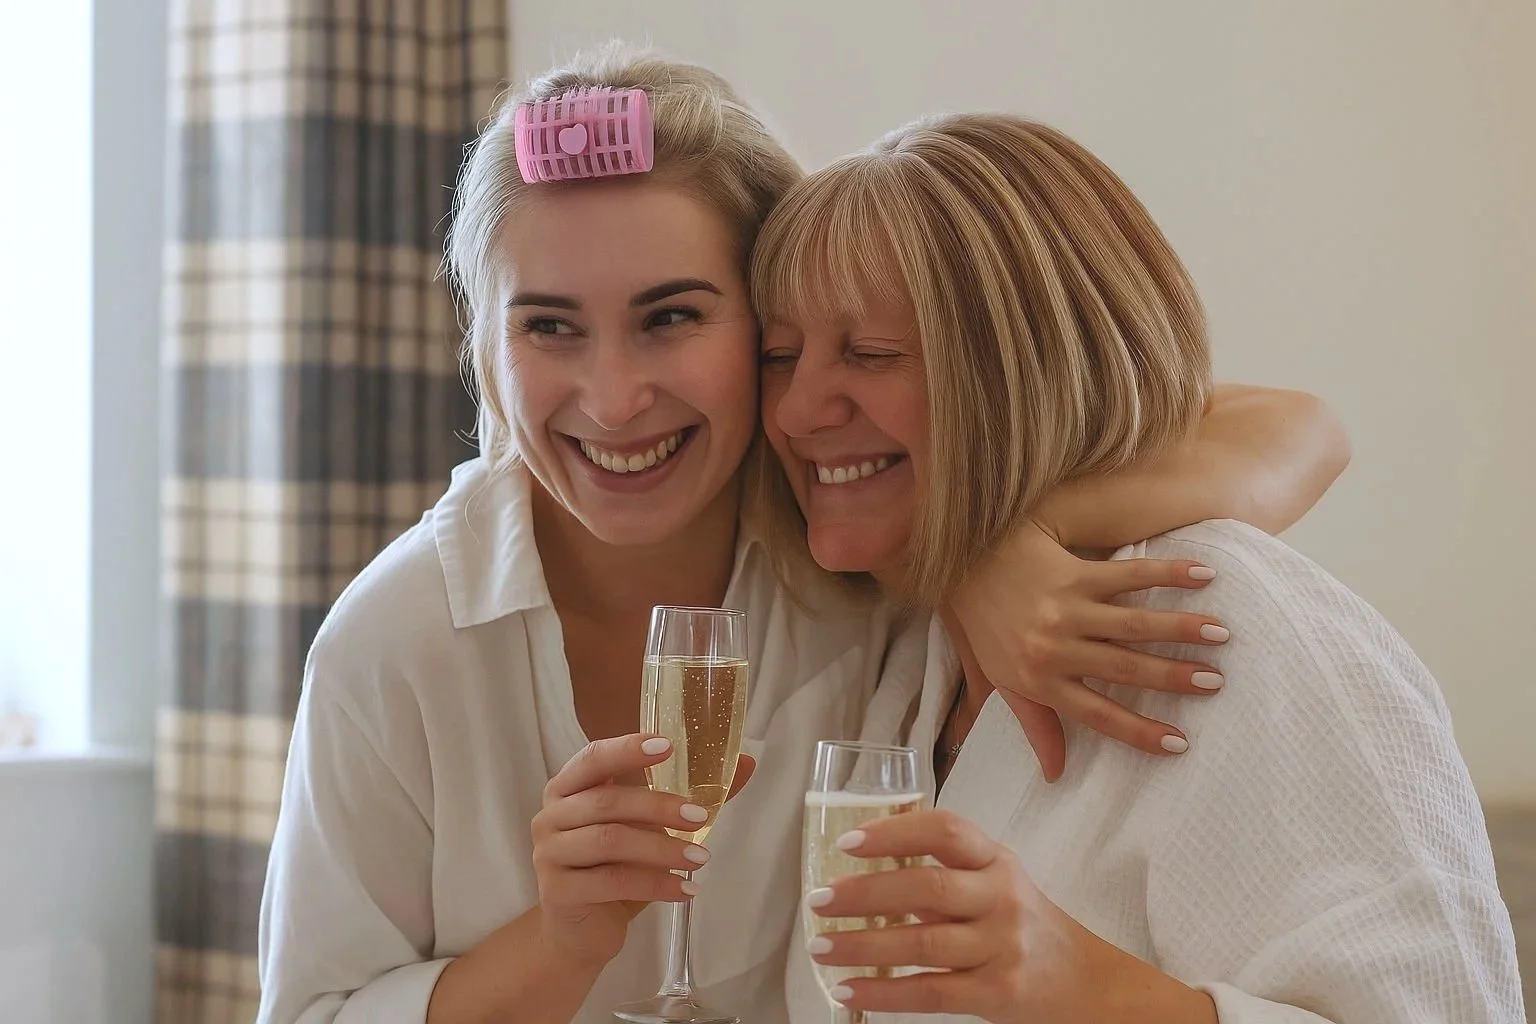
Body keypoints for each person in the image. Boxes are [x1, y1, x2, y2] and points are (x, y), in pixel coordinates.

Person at [255, 47, 1348, 1024]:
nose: (615, 396)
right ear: (486, 349)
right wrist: (560, 941)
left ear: (764, 317)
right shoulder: (396, 642)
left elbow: (1294, 424)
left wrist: (1002, 543)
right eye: (549, 326)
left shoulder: (859, 556)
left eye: (672, 315)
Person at [753, 112, 1524, 1022]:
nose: (798, 411)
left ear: (1027, 367)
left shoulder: (1230, 625)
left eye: (870, 354)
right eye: (779, 356)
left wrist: (1085, 989)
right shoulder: (911, 666)